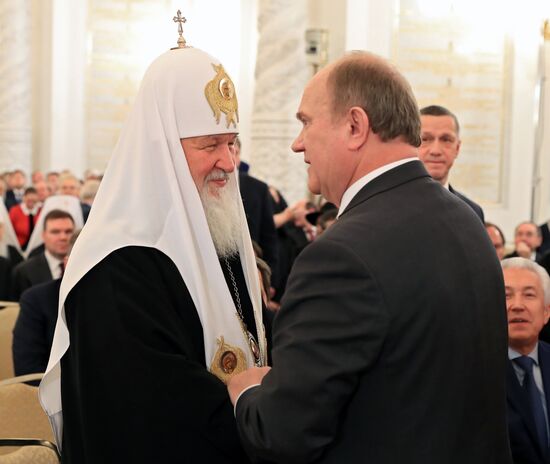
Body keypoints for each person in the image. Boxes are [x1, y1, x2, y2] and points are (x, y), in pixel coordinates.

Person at [228, 51, 511, 463]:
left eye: (306, 122)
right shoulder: (465, 219)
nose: (297, 143)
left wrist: (248, 392)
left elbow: (282, 433)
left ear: (355, 126)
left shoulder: (341, 256)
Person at [39, 24, 268, 464]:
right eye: (210, 145)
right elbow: (150, 415)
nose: (229, 161)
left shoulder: (221, 239)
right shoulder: (115, 266)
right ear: (161, 151)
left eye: (232, 143)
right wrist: (257, 404)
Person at [12, 231, 79, 382]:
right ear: (67, 263)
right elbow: (28, 370)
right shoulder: (36, 300)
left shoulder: (120, 300)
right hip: (54, 398)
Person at [503, 257, 550, 464]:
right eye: (506, 296)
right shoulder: (473, 371)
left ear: (546, 312)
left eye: (529, 295)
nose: (517, 305)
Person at [418, 105, 484, 222]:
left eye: (446, 139)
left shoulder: (473, 212)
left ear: (457, 148)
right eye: (425, 139)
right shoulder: (390, 206)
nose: (435, 151)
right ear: (411, 144)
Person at [232, 137, 278, 280]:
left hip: (254, 270)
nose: (231, 157)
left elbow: (269, 236)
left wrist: (271, 278)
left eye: (235, 152)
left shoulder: (259, 189)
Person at [11, 209, 74, 300]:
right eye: (55, 232)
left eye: (68, 231)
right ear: (43, 235)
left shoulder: (85, 267)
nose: (63, 237)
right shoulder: (24, 271)